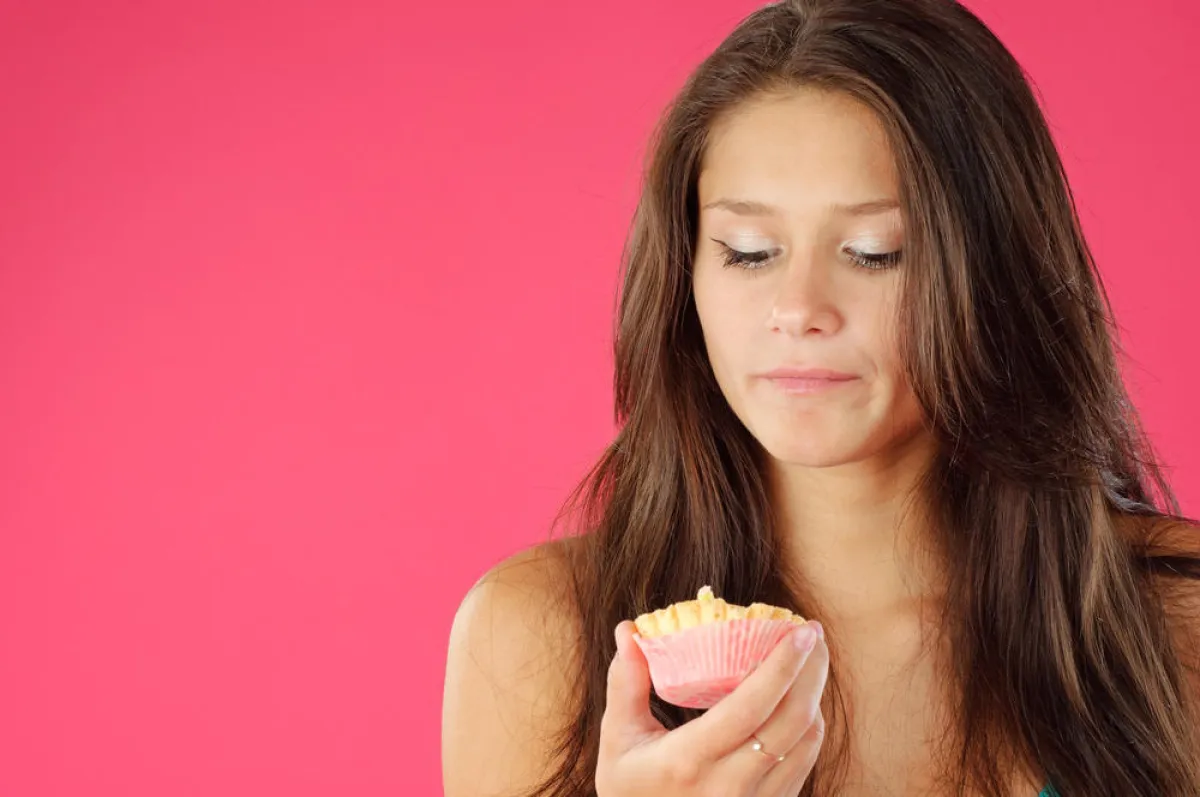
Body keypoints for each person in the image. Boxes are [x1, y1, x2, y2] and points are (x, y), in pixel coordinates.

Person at [441, 0, 1200, 794]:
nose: (798, 308)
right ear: (685, 274)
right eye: (749, 252)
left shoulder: (1176, 620)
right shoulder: (535, 636)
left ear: (995, 272)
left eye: (875, 252)